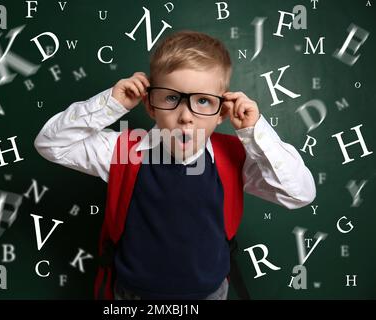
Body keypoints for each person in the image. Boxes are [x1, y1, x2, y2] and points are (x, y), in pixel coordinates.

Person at [34, 30, 316, 300]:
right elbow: (50, 143)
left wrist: (254, 132)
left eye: (203, 101)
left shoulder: (234, 156)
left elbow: (299, 194)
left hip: (210, 293)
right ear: (150, 106)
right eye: (171, 98)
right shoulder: (123, 150)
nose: (186, 117)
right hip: (131, 294)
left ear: (222, 112)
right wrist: (111, 104)